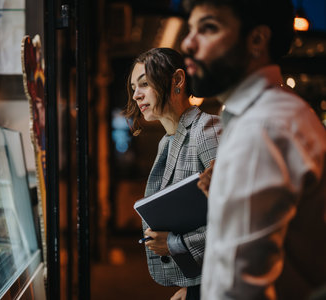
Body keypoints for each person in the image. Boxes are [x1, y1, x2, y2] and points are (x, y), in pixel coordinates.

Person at [180, 0, 326, 299]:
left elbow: (238, 289)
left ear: (257, 39)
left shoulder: (260, 129)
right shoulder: (284, 111)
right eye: (191, 28)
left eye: (208, 28)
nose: (187, 43)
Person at [124, 47, 221, 300]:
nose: (136, 94)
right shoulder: (167, 141)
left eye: (144, 83)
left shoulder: (205, 129)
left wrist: (174, 244)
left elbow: (239, 219)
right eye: (134, 86)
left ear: (177, 80)